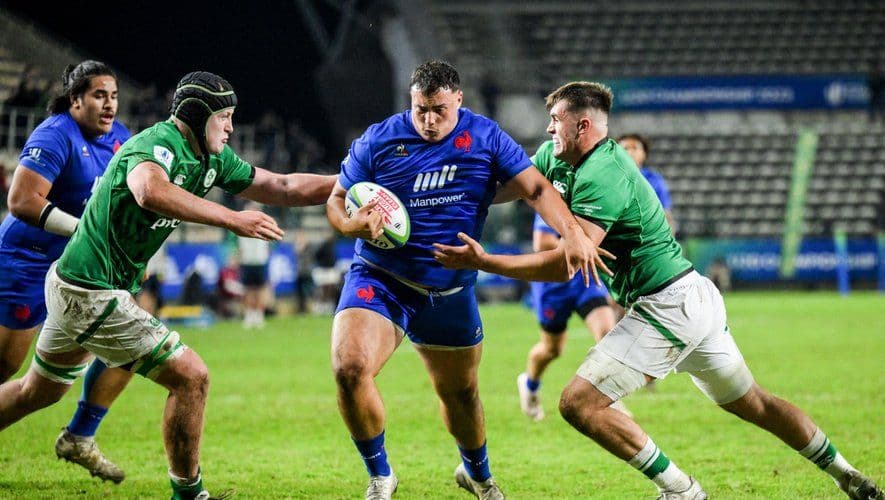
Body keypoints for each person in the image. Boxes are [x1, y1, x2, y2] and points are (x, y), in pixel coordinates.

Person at [433, 81, 883, 500]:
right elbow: (514, 186)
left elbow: (568, 265)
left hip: (668, 305)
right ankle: (848, 475)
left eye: (556, 119)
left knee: (579, 403)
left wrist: (484, 261)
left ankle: (682, 489)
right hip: (689, 298)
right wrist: (443, 193)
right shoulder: (557, 158)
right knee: (756, 403)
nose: (549, 127)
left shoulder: (604, 172)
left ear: (582, 125)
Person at [0, 71, 338, 499]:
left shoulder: (213, 158)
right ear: (198, 117)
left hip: (81, 287)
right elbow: (149, 191)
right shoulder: (155, 144)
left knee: (37, 390)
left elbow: (281, 185)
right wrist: (232, 217)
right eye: (225, 117)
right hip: (88, 291)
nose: (231, 127)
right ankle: (189, 493)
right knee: (190, 377)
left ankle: (80, 436)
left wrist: (345, 182)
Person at [326, 60, 601, 500]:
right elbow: (337, 200)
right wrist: (349, 225)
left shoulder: (486, 137)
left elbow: (535, 189)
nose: (429, 120)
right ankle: (380, 476)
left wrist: (572, 235)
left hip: (450, 288)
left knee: (461, 394)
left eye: (439, 110)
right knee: (350, 368)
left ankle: (476, 473)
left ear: (458, 100)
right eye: (420, 110)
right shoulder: (379, 139)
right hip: (382, 278)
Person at [0, 60, 132, 483]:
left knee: (127, 343)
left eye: (113, 96)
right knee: (5, 366)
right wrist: (85, 231)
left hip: (75, 270)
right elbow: (20, 201)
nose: (108, 104)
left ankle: (80, 435)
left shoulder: (121, 140)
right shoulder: (55, 134)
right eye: (98, 95)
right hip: (26, 261)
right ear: (75, 101)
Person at [517, 213, 619, 422]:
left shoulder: (592, 197)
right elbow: (542, 242)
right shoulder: (553, 198)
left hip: (585, 279)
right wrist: (579, 246)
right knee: (552, 349)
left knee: (608, 334)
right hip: (553, 283)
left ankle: (608, 397)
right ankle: (530, 384)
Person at [617, 133, 675, 234]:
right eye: (625, 148)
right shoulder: (609, 178)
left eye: (634, 148)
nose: (630, 152)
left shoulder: (654, 180)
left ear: (644, 154)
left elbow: (666, 214)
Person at [238, 202, 271, 329]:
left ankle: (259, 315)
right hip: (246, 260)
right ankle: (249, 314)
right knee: (248, 290)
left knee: (260, 289)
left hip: (260, 260)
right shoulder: (240, 224)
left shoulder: (265, 225)